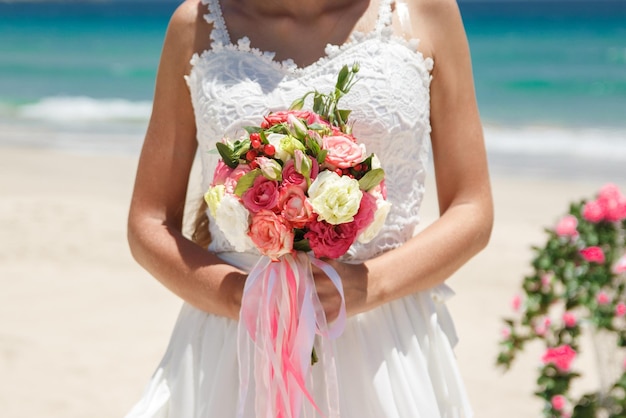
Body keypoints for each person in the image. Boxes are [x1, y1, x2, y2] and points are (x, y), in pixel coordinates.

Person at [125, 0, 493, 416]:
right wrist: (237, 297)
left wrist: (367, 285)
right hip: (237, 345)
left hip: (382, 342)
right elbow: (148, 223)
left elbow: (472, 209)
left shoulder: (427, 11)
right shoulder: (197, 24)